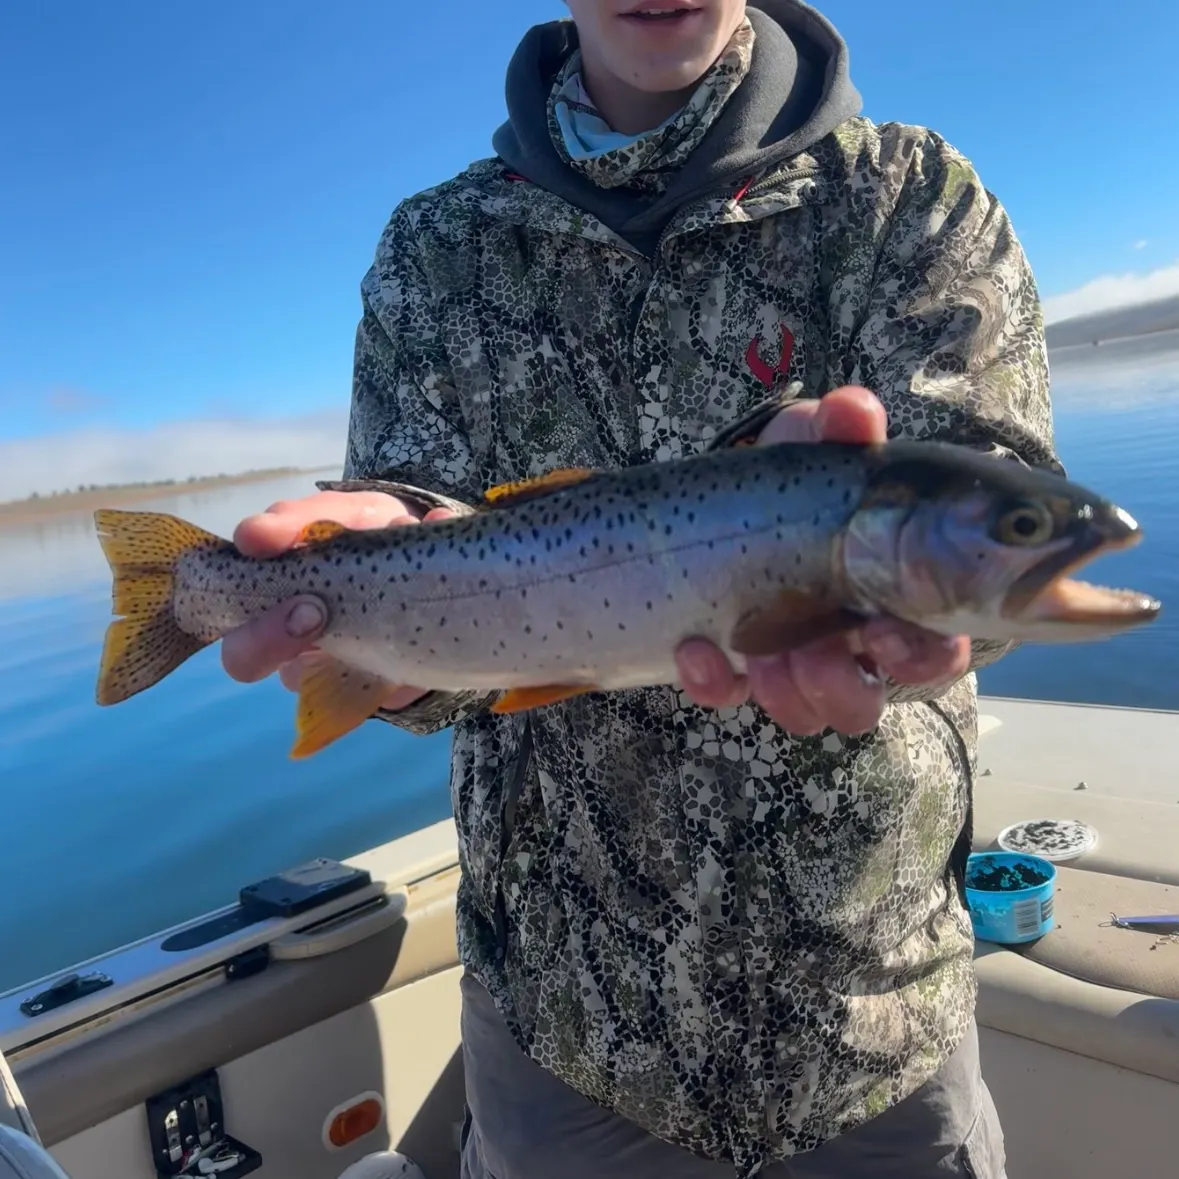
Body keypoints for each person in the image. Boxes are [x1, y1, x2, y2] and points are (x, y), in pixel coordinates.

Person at [222, 2, 1059, 1175]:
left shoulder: (909, 196)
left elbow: (997, 515)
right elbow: (412, 530)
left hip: (876, 1015)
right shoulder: (438, 249)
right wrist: (375, 607)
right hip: (564, 1036)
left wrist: (895, 589)